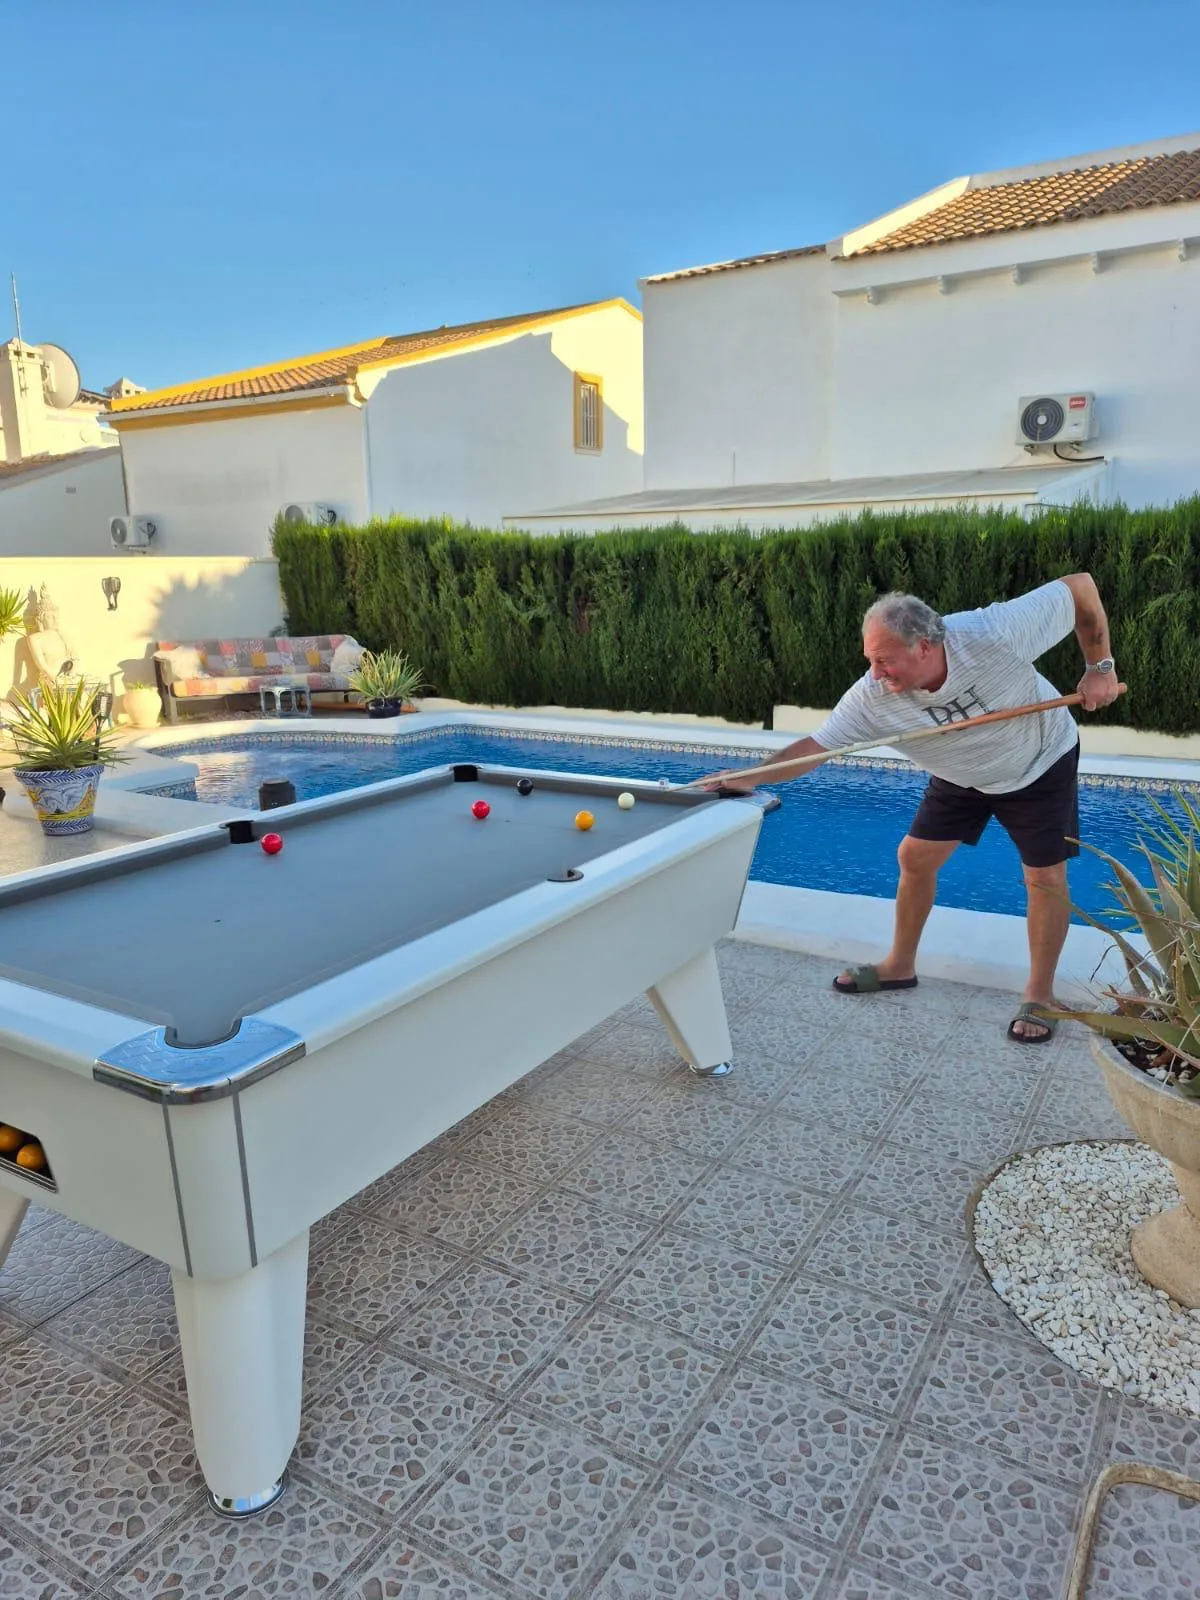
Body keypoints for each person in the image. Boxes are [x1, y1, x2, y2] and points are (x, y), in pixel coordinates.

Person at [717, 574, 1120, 1041]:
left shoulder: (992, 633)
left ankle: (1039, 995)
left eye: (885, 661)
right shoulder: (871, 696)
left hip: (1038, 762)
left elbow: (1082, 589)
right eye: (871, 660)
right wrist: (746, 778)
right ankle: (899, 965)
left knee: (1044, 877)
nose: (876, 673)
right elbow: (817, 747)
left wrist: (1101, 667)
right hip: (961, 775)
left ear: (925, 646)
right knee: (914, 857)